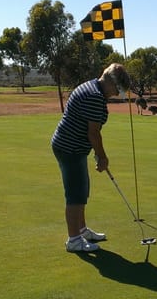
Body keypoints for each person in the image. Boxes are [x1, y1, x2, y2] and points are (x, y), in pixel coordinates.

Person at [51, 63, 131, 252]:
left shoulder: (92, 87)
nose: (115, 94)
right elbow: (93, 133)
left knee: (81, 189)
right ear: (111, 82)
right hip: (70, 148)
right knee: (75, 195)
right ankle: (74, 240)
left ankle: (82, 230)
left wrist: (96, 153)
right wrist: (102, 157)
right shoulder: (95, 96)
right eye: (117, 90)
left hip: (71, 146)